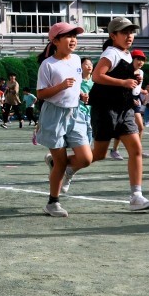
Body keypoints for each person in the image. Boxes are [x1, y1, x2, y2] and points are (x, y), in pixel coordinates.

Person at [87, 17, 149, 211]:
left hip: (124, 108)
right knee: (98, 154)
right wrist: (124, 82)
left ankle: (136, 196)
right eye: (125, 32)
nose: (129, 36)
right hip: (105, 108)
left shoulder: (126, 54)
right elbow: (97, 76)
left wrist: (132, 83)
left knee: (136, 149)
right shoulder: (111, 52)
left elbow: (121, 79)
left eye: (131, 32)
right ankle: (66, 166)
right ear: (113, 35)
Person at [38, 22, 92, 216]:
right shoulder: (48, 64)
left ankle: (56, 166)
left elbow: (75, 85)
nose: (73, 40)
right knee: (61, 163)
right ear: (55, 41)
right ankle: (53, 203)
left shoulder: (76, 60)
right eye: (68, 36)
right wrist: (60, 86)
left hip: (75, 113)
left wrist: (81, 95)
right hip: (54, 115)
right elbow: (41, 94)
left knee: (86, 159)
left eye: (74, 36)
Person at [111, 49, 149, 160]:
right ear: (132, 59)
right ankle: (114, 150)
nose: (141, 62)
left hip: (135, 100)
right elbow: (122, 87)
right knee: (121, 127)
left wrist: (142, 91)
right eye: (138, 59)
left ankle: (138, 150)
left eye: (143, 60)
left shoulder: (141, 72)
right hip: (125, 100)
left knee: (140, 127)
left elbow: (136, 87)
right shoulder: (126, 71)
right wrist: (131, 99)